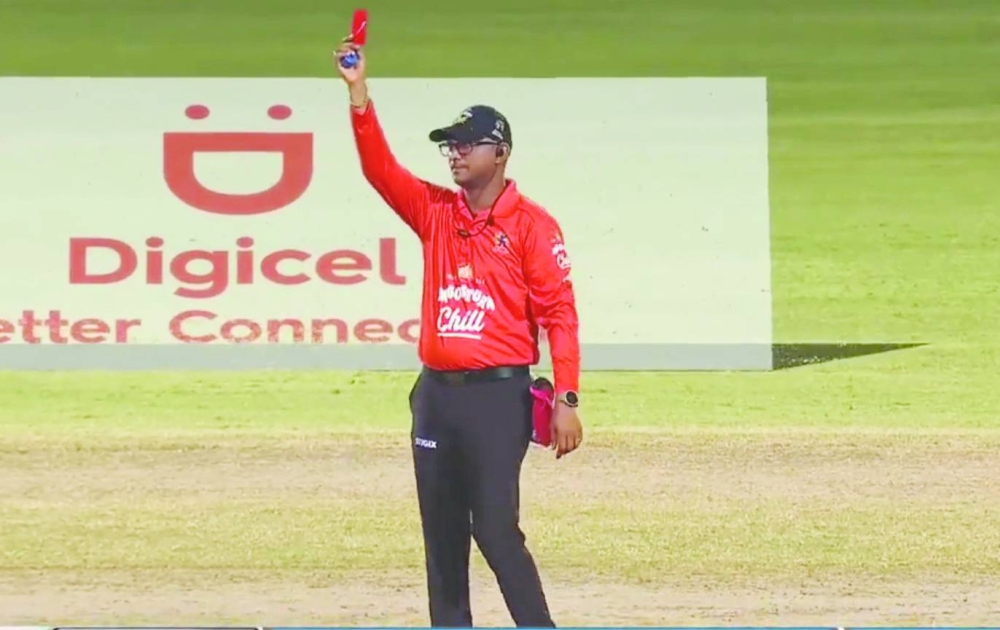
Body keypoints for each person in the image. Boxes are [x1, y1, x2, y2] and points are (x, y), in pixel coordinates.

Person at [333, 38, 584, 628]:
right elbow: (379, 171)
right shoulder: (437, 213)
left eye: (465, 144)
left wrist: (568, 398)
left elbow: (560, 313)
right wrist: (358, 93)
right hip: (438, 397)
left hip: (500, 398)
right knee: (442, 542)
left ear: (499, 153)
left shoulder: (532, 225)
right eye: (449, 146)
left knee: (495, 529)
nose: (453, 154)